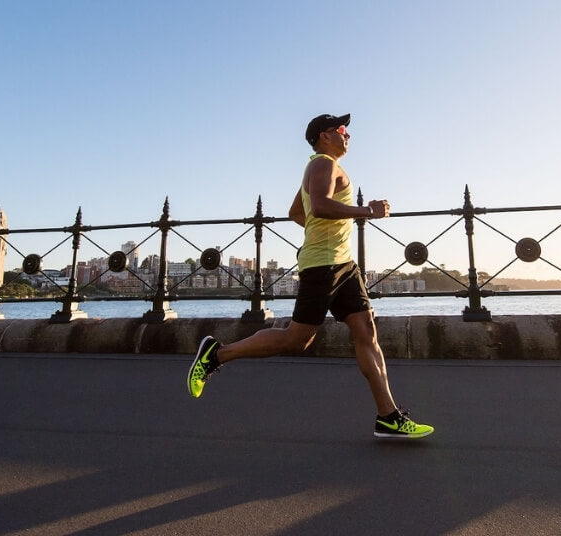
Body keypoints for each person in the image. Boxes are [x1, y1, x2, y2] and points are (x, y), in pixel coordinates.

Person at [186, 113, 433, 440]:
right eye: (342, 129)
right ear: (324, 135)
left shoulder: (326, 166)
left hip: (344, 265)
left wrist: (326, 234)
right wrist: (366, 212)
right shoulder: (322, 164)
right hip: (323, 266)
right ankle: (216, 354)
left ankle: (388, 416)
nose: (348, 135)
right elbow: (317, 206)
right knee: (296, 339)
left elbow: (296, 213)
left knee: (366, 329)